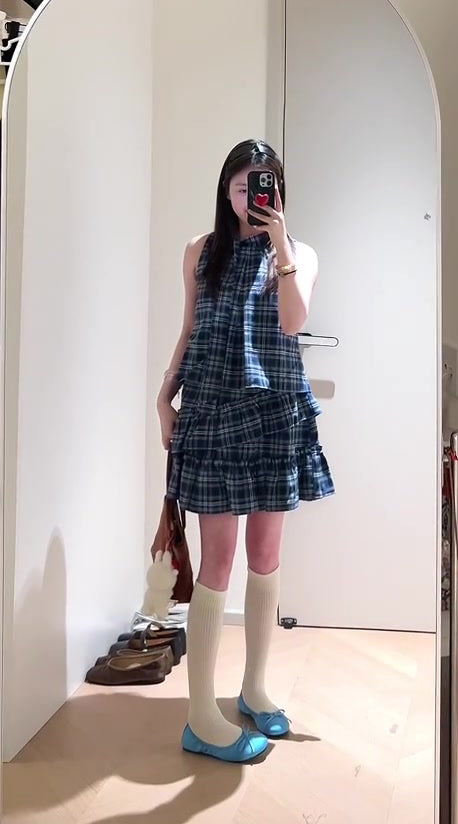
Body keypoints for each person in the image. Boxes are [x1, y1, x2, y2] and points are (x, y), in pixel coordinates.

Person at [156, 139, 335, 763]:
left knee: (265, 554)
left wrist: (279, 241)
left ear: (278, 190)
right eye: (243, 185)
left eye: (265, 184)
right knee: (219, 559)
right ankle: (200, 717)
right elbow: (190, 327)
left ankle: (254, 688)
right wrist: (163, 396)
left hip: (274, 411)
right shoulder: (200, 251)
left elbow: (292, 321)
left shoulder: (300, 253)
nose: (254, 196)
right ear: (226, 190)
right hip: (212, 408)